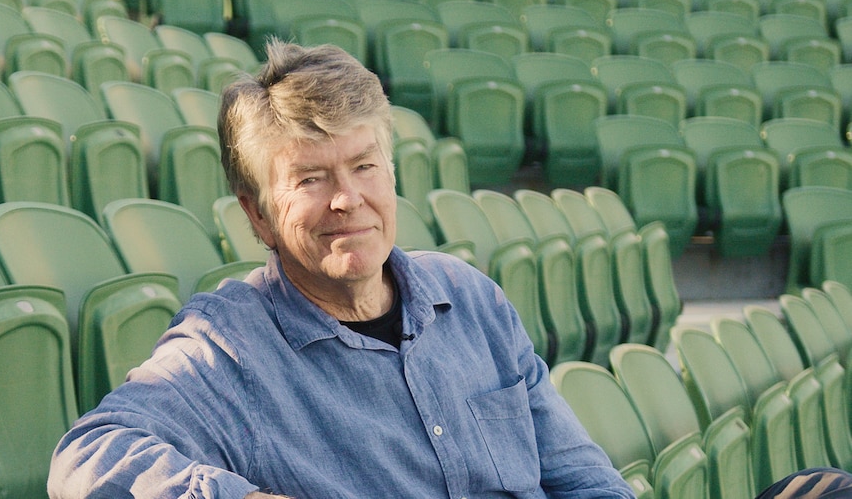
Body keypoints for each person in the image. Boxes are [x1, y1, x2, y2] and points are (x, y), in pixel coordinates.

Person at [47, 40, 636, 498]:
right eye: (310, 178)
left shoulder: (472, 299)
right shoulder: (230, 346)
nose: (346, 198)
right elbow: (87, 457)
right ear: (259, 215)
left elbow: (583, 478)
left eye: (363, 166)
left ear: (392, 174)